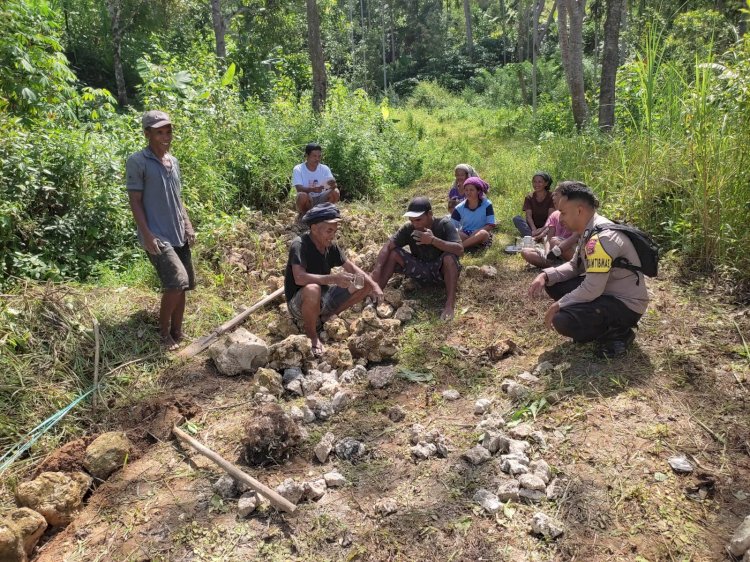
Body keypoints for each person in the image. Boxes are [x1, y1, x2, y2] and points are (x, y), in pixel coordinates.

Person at [527, 181, 650, 358]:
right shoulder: (590, 230)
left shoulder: (601, 238)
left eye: (563, 213)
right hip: (606, 292)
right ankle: (594, 322)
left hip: (625, 304)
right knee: (553, 283)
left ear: (579, 210)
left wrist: (559, 305)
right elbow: (574, 266)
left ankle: (619, 333)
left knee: (562, 320)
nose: (560, 219)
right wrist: (545, 275)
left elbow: (592, 288)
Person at [127, 111, 196, 351]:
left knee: (185, 285)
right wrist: (146, 234)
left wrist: (187, 225)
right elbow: (135, 201)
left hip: (178, 231)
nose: (165, 136)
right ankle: (164, 332)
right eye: (159, 132)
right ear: (147, 134)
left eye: (168, 131)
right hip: (156, 234)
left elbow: (178, 198)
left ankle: (178, 330)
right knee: (176, 281)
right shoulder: (138, 161)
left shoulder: (173, 161)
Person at [285, 203, 381, 356]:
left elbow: (352, 268)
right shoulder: (300, 245)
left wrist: (374, 285)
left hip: (325, 298)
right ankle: (312, 335)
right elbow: (299, 278)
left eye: (335, 231)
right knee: (312, 288)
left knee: (362, 281)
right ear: (314, 228)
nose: (333, 235)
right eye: (329, 230)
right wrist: (334, 278)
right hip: (300, 303)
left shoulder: (331, 247)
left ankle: (325, 316)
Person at [371, 197, 464, 321]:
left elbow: (459, 250)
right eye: (412, 220)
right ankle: (376, 293)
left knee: (449, 258)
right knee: (393, 253)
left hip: (440, 271)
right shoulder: (409, 228)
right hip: (420, 269)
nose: (415, 224)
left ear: (430, 214)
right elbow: (388, 246)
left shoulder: (444, 224)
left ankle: (449, 304)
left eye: (419, 219)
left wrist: (433, 240)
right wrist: (376, 271)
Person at [521, 184, 579, 268]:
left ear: (565, 197)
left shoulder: (576, 214)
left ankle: (570, 265)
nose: (553, 197)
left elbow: (575, 237)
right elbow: (548, 238)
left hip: (569, 249)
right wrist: (548, 253)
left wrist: (556, 250)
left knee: (555, 241)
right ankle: (558, 265)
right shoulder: (555, 215)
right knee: (525, 252)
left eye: (556, 194)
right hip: (555, 252)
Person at [292, 143, 340, 219]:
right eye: (314, 156)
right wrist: (312, 189)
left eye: (319, 156)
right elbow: (299, 188)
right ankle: (305, 216)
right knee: (301, 195)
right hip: (309, 198)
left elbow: (332, 184)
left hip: (322, 197)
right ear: (307, 156)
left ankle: (325, 213)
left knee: (335, 192)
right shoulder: (298, 169)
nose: (317, 159)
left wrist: (333, 185)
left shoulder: (325, 168)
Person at [450, 176, 495, 251]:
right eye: (466, 190)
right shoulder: (459, 208)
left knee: (483, 233)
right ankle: (470, 245)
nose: (468, 192)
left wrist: (477, 231)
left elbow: (491, 224)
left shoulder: (487, 204)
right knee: (457, 235)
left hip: (480, 233)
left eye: (471, 190)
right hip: (465, 234)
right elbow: (452, 227)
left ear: (478, 191)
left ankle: (460, 248)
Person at [512, 171, 555, 237]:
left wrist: (542, 229)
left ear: (546, 183)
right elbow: (528, 216)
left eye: (539, 182)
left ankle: (536, 237)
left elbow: (551, 217)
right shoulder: (529, 197)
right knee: (517, 219)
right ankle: (533, 236)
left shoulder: (552, 196)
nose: (536, 184)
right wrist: (534, 229)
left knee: (554, 224)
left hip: (546, 227)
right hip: (532, 228)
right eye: (534, 182)